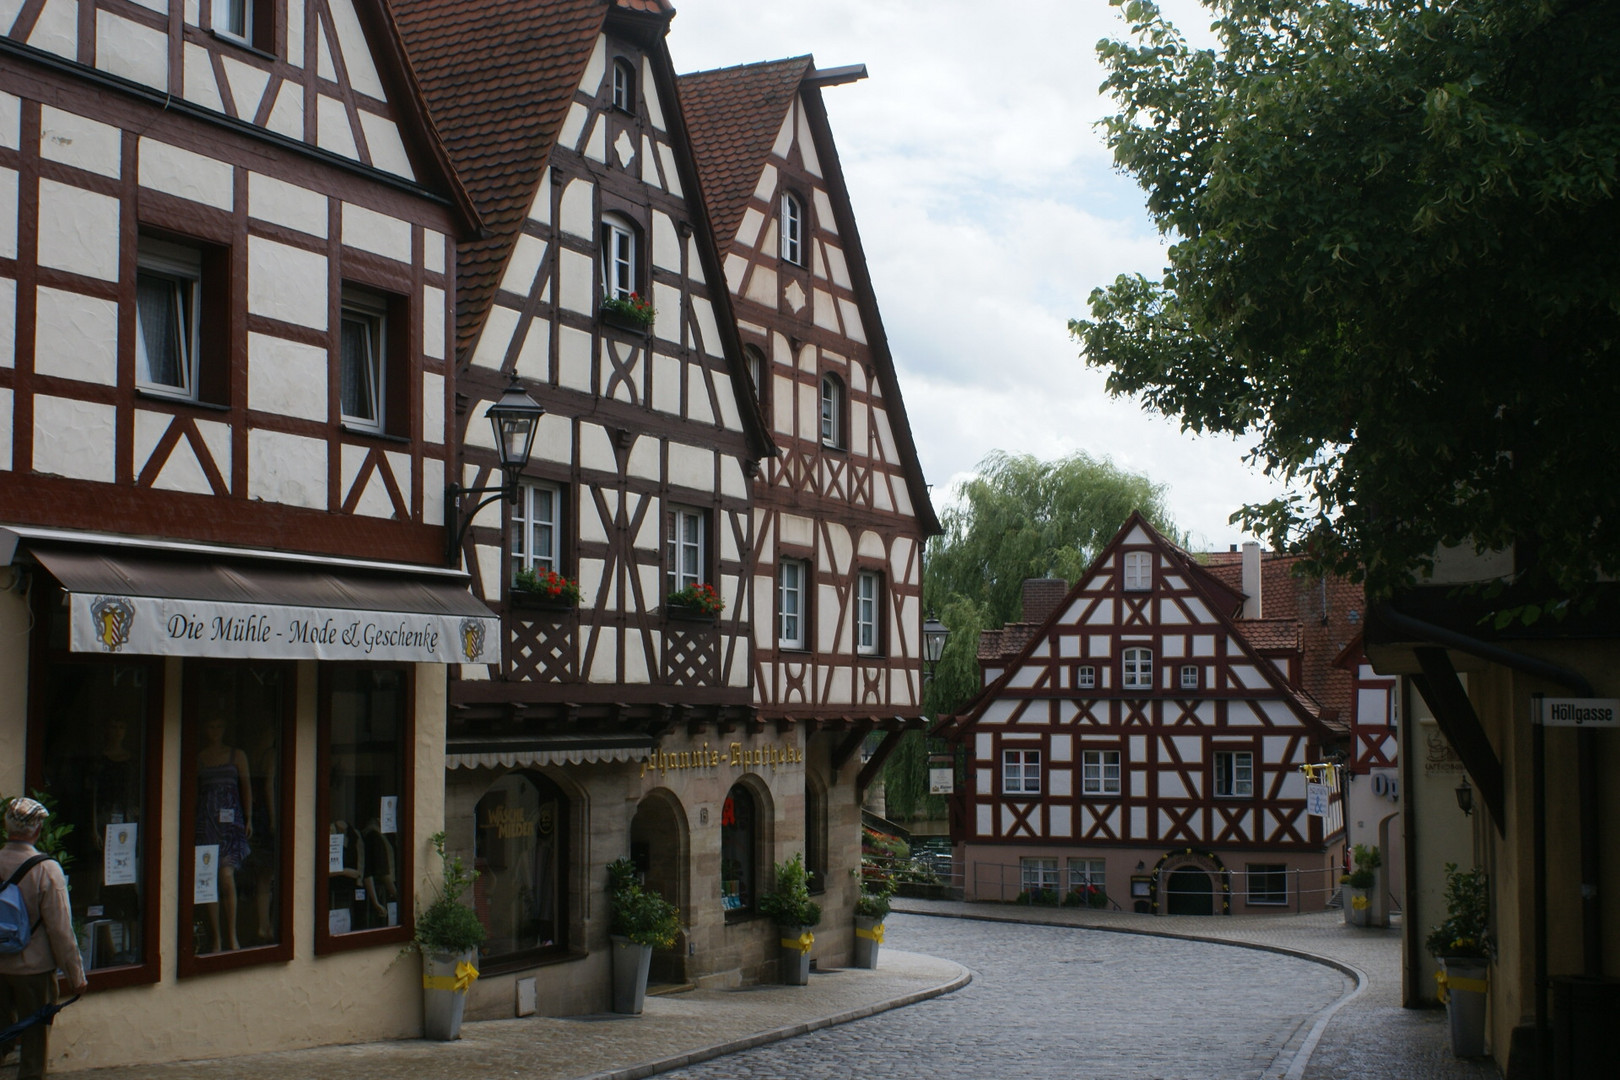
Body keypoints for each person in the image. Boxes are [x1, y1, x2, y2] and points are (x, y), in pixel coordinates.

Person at [0, 797, 87, 1080]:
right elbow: (61, 930)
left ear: (6, 826)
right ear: (37, 830)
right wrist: (76, 977)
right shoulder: (46, 870)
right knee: (34, 1050)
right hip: (33, 971)